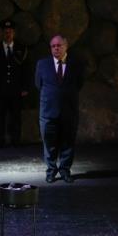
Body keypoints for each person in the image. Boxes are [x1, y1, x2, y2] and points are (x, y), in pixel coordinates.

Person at [35, 35, 86, 184]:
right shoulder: (42, 64)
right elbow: (38, 84)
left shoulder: (76, 64)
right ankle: (51, 171)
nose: (56, 48)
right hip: (48, 111)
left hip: (68, 110)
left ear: (66, 46)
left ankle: (65, 170)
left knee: (68, 142)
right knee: (49, 143)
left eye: (59, 45)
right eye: (53, 46)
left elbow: (79, 84)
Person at [0, 20, 30, 147]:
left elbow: (26, 69)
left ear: (14, 33)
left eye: (10, 32)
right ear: (2, 33)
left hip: (16, 89)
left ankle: (16, 141)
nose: (8, 34)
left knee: (16, 116)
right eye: (5, 32)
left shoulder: (22, 48)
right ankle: (0, 141)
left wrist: (25, 87)